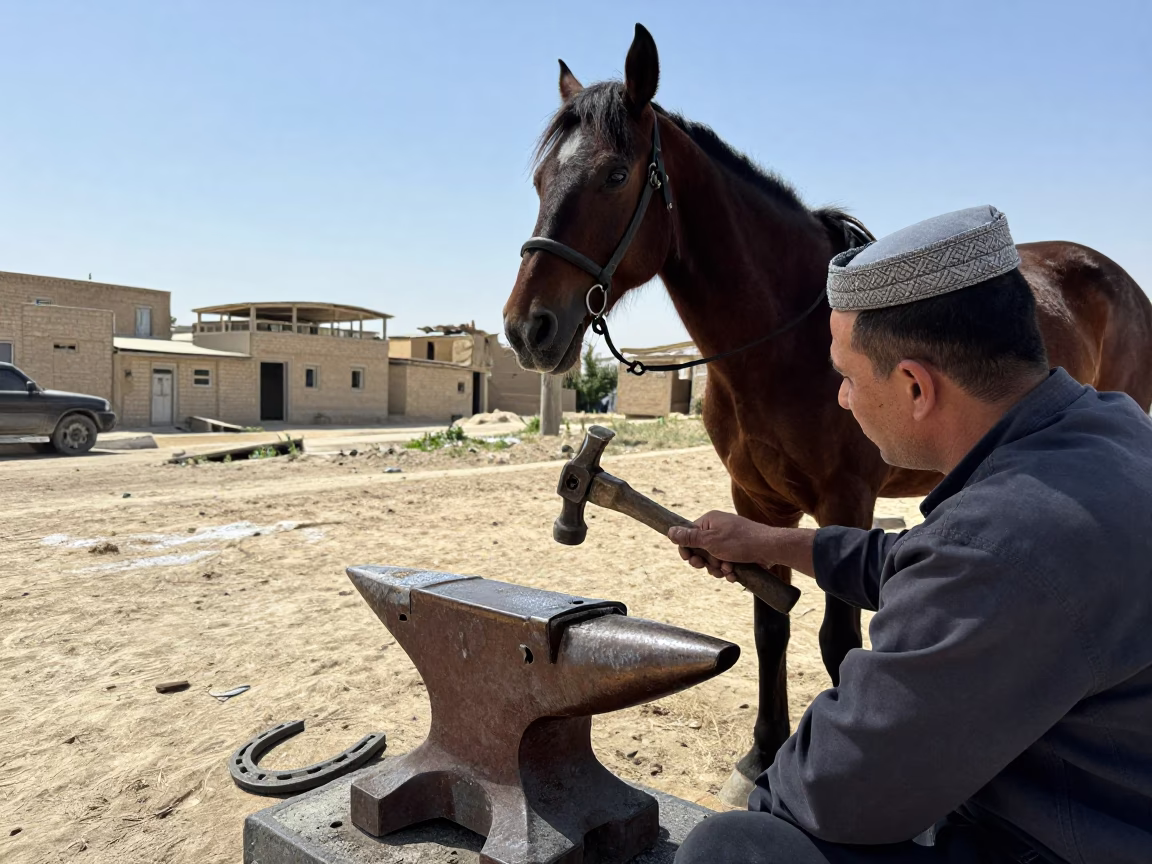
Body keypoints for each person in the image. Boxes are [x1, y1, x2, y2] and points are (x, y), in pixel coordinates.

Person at [668, 206, 1152, 864]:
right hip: (1103, 798)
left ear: (916, 386)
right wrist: (769, 542)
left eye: (846, 376)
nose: (841, 399)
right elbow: (924, 559)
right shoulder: (1108, 431)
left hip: (1048, 840)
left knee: (734, 845)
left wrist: (780, 783)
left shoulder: (998, 543)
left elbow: (834, 790)